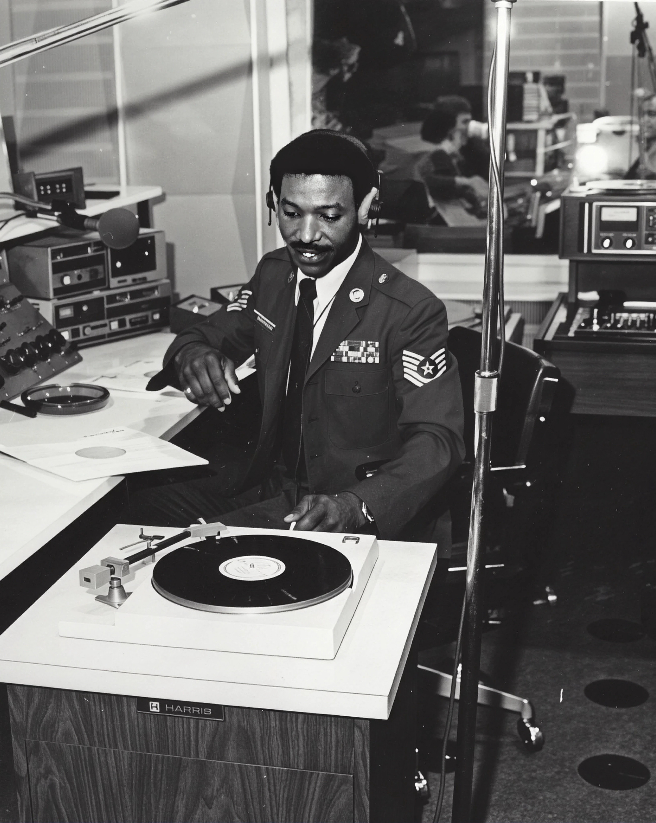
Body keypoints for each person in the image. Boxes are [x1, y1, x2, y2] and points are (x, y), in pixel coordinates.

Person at [136, 129, 465, 538]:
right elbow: (204, 335)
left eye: (329, 216)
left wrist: (358, 504)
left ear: (365, 208)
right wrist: (193, 356)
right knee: (133, 513)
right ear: (273, 203)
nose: (306, 236)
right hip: (271, 487)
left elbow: (438, 440)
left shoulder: (408, 310)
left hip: (344, 508)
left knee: (193, 548)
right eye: (292, 213)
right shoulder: (274, 275)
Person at [414, 96, 489, 225]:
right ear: (449, 127)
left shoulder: (458, 153)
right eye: (464, 122)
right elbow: (430, 182)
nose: (469, 128)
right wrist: (468, 182)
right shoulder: (435, 153)